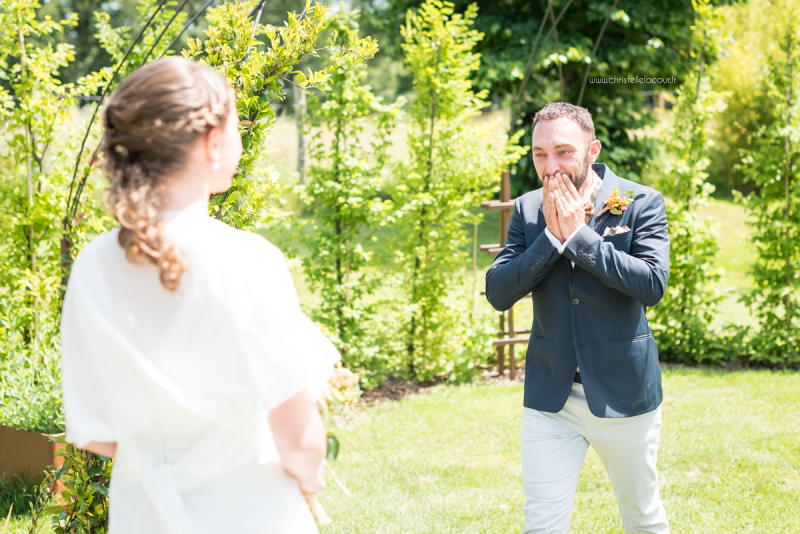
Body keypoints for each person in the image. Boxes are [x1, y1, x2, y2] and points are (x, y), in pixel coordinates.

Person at [60, 57, 339, 534]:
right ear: (213, 142)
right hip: (250, 515)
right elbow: (299, 440)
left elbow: (100, 435)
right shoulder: (247, 259)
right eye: (236, 127)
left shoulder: (91, 266)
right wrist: (311, 478)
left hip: (142, 517)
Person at [485, 102, 671, 533]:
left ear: (592, 150)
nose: (551, 167)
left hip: (624, 394)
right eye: (539, 154)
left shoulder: (641, 202)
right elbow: (498, 291)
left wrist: (580, 238)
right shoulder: (529, 209)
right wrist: (552, 237)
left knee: (641, 517)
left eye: (563, 152)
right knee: (542, 524)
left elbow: (651, 285)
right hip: (552, 397)